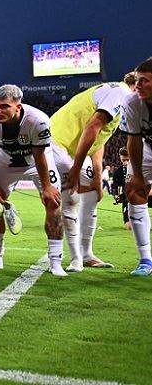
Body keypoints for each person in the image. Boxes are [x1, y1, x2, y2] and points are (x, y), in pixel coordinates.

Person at [0, 84, 65, 276]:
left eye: (4, 106)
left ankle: (56, 262)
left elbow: (39, 155)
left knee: (52, 201)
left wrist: (47, 187)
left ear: (18, 105)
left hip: (37, 160)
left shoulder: (38, 120)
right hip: (6, 159)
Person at [50, 80, 133, 271]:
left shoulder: (119, 103)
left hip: (76, 149)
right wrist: (75, 169)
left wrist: (97, 176)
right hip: (58, 145)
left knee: (93, 193)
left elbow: (99, 138)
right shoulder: (120, 92)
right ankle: (75, 260)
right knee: (70, 200)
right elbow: (92, 128)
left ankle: (87, 254)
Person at [121, 57, 152, 276]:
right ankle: (146, 260)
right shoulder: (132, 102)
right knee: (133, 191)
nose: (138, 85)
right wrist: (139, 175)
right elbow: (134, 139)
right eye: (138, 80)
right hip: (148, 146)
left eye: (145, 81)